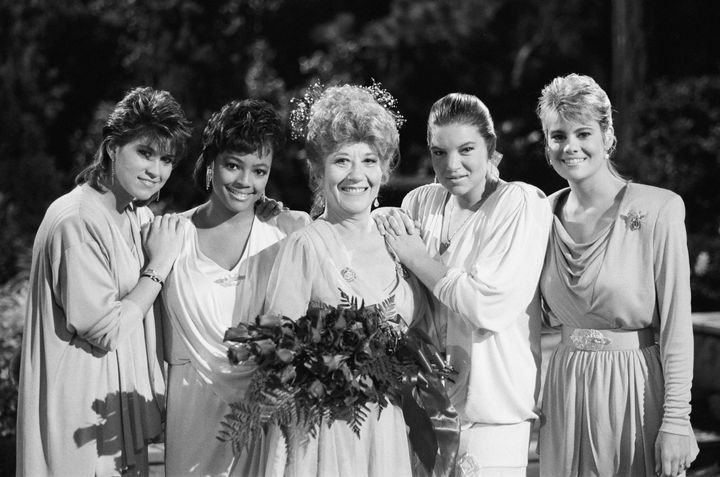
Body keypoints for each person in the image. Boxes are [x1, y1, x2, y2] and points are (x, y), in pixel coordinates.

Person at [16, 86, 191, 476]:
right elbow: (105, 328)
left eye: (166, 159)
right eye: (145, 153)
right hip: (80, 422)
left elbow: (180, 231)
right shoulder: (76, 220)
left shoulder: (134, 215)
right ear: (113, 148)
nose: (156, 170)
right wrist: (157, 269)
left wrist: (253, 206)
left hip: (112, 416)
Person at [375, 93, 552, 476]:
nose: (452, 165)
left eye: (467, 149)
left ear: (491, 149)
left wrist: (417, 257)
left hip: (492, 415)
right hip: (424, 406)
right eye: (440, 152)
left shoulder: (519, 202)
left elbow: (488, 305)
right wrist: (380, 217)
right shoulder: (421, 202)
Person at [535, 73, 699, 477]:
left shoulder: (660, 208)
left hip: (635, 387)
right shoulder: (538, 214)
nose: (570, 147)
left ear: (608, 137)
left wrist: (677, 420)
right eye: (558, 136)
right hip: (565, 385)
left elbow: (677, 325)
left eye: (583, 133)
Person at [262, 84, 429, 477]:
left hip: (389, 427)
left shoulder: (401, 238)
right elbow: (277, 356)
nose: (357, 175)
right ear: (318, 171)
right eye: (342, 161)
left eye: (369, 160)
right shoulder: (305, 246)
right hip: (326, 436)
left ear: (385, 169)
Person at [160, 98, 310, 476]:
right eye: (233, 165)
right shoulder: (169, 235)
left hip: (264, 411)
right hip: (190, 410)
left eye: (259, 171)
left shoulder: (283, 234)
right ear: (210, 165)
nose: (245, 182)